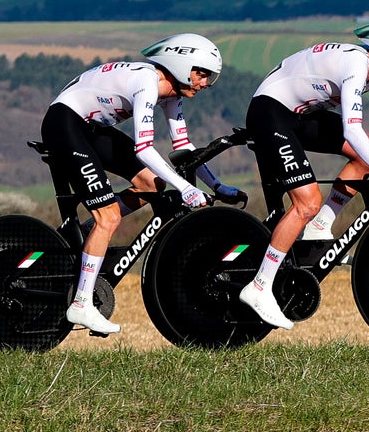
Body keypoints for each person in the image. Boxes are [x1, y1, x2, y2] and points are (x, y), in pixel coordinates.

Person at [242, 19, 369, 330]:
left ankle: (320, 226)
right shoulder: (356, 64)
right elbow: (352, 128)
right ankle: (259, 287)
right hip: (270, 113)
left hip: (298, 115)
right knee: (306, 202)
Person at [43, 33, 231, 337]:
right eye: (202, 73)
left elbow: (182, 146)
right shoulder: (146, 82)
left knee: (151, 185)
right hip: (66, 124)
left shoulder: (171, 93)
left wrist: (218, 185)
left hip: (92, 128)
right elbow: (144, 148)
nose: (206, 83)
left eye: (210, 77)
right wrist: (185, 188)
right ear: (182, 65)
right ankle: (81, 302)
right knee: (111, 217)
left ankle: (91, 231)